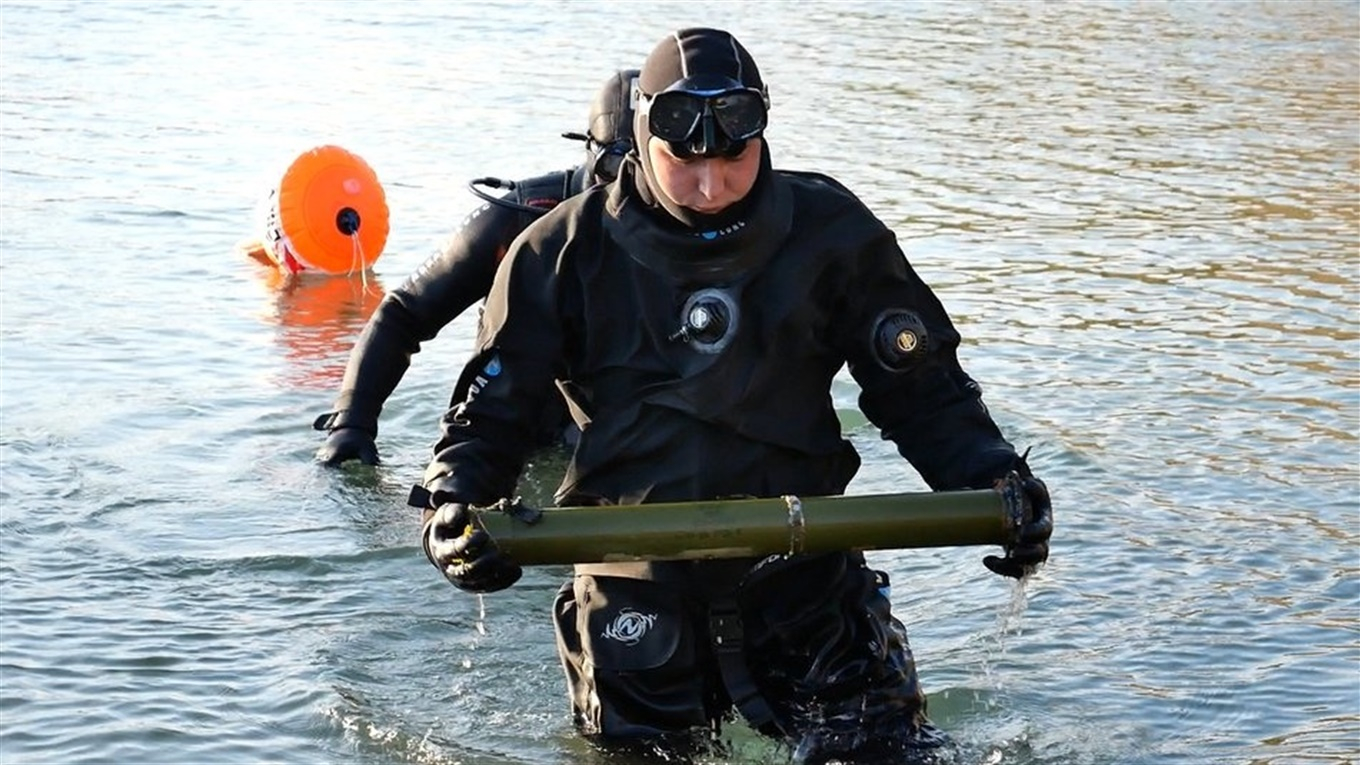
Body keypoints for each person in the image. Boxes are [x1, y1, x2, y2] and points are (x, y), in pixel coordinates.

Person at [414, 28, 1053, 765]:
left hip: (805, 572)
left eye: (734, 158)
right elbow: (488, 420)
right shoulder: (561, 253)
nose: (712, 186)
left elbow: (925, 393)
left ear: (764, 136)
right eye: (684, 161)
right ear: (644, 137)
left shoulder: (831, 233)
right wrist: (452, 506)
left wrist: (994, 478)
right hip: (636, 589)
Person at [312, 68, 640, 466]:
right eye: (615, 167)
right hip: (522, 421)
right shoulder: (521, 220)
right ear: (589, 152)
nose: (627, 187)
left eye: (646, 170)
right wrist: (353, 419)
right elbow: (405, 312)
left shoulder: (708, 221)